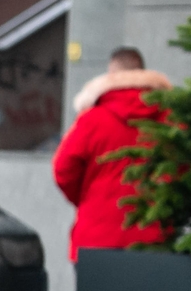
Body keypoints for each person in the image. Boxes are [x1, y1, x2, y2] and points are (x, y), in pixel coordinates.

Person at [53, 46, 172, 261]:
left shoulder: (92, 119)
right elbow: (182, 169)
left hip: (97, 238)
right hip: (154, 237)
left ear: (111, 75)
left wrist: (89, 198)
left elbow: (63, 168)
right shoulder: (169, 120)